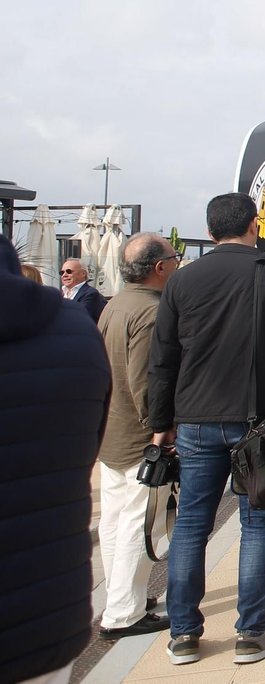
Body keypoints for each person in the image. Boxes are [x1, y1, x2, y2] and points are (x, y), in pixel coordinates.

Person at [148, 193, 265, 666]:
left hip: (195, 418)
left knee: (190, 524)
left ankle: (184, 634)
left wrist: (159, 425)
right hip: (262, 422)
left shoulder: (182, 281)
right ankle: (252, 633)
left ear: (210, 233)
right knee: (257, 521)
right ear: (256, 225)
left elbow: (163, 359)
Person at [0, 234, 112, 684]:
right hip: (49, 607)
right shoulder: (72, 325)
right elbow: (90, 441)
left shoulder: (89, 310)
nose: (65, 275)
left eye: (70, 271)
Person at [95, 233, 181, 640]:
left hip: (114, 433)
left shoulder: (116, 304)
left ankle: (120, 600)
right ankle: (123, 612)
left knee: (115, 522)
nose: (178, 262)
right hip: (139, 437)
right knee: (137, 524)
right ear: (159, 267)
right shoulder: (150, 311)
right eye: (174, 256)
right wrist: (161, 429)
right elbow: (146, 382)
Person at [61, 257, 107, 324]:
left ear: (83, 273)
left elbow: (79, 317)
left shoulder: (91, 294)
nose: (64, 275)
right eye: (62, 272)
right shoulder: (61, 294)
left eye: (69, 271)